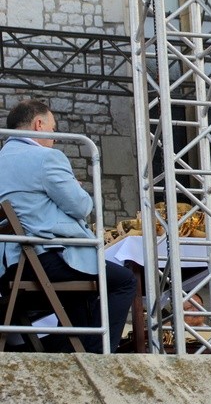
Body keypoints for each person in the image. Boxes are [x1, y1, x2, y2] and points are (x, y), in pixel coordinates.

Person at [0, 99, 136, 353]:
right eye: (53, 131)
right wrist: (77, 188)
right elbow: (81, 207)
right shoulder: (46, 158)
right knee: (124, 281)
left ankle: (74, 349)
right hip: (42, 259)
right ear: (38, 125)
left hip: (10, 266)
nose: (55, 138)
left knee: (81, 297)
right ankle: (98, 353)